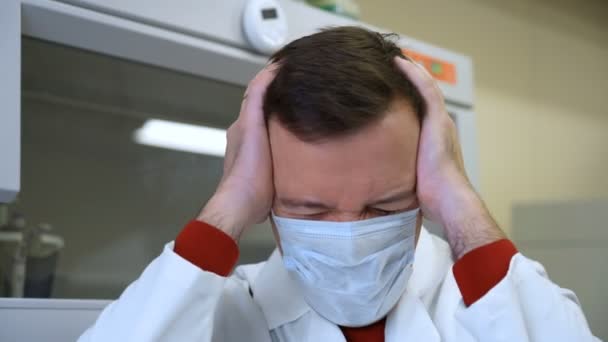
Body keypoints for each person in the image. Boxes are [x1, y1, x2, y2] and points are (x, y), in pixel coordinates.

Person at [79, 27, 597, 341]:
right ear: (266, 196)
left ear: (424, 189)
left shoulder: (487, 303)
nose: (350, 236)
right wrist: (228, 204)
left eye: (383, 206)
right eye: (310, 210)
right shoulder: (226, 313)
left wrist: (462, 202)